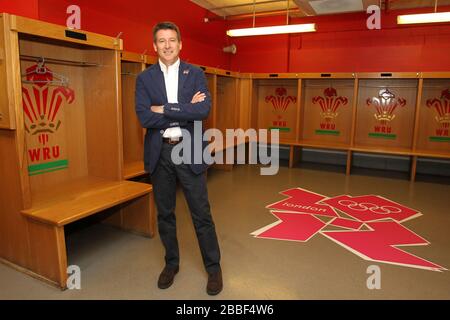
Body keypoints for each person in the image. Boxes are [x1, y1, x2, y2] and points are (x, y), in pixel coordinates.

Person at [135, 21, 222, 295]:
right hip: (159, 152)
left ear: (180, 44)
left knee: (201, 213)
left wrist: (166, 107)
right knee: (165, 213)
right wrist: (184, 109)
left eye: (172, 40)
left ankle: (213, 268)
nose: (167, 45)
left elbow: (203, 110)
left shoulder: (195, 74)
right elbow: (144, 116)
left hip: (190, 149)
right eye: (161, 41)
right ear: (154, 46)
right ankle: (171, 263)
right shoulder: (144, 78)